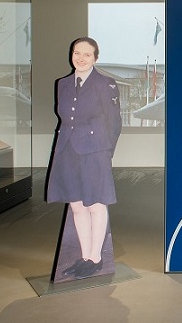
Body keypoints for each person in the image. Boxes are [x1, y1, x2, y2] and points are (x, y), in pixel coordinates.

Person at [46, 37, 122, 279]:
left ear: (95, 58)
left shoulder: (106, 84)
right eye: (76, 53)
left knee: (96, 204)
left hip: (95, 151)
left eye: (86, 54)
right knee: (77, 205)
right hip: (68, 150)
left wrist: (106, 152)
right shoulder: (62, 83)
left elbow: (114, 123)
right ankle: (84, 256)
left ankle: (96, 258)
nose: (80, 58)